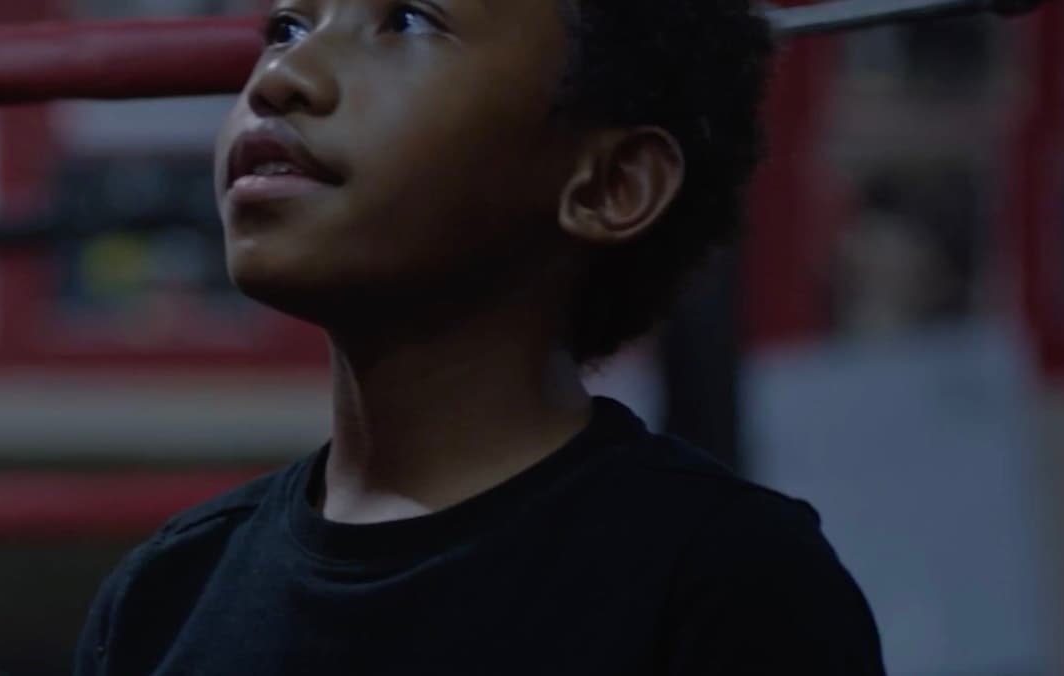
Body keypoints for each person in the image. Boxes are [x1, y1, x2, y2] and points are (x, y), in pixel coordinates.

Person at [73, 0, 885, 674]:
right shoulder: (165, 596)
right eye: (287, 28)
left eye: (408, 21)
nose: (284, 76)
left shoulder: (724, 582)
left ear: (609, 183)